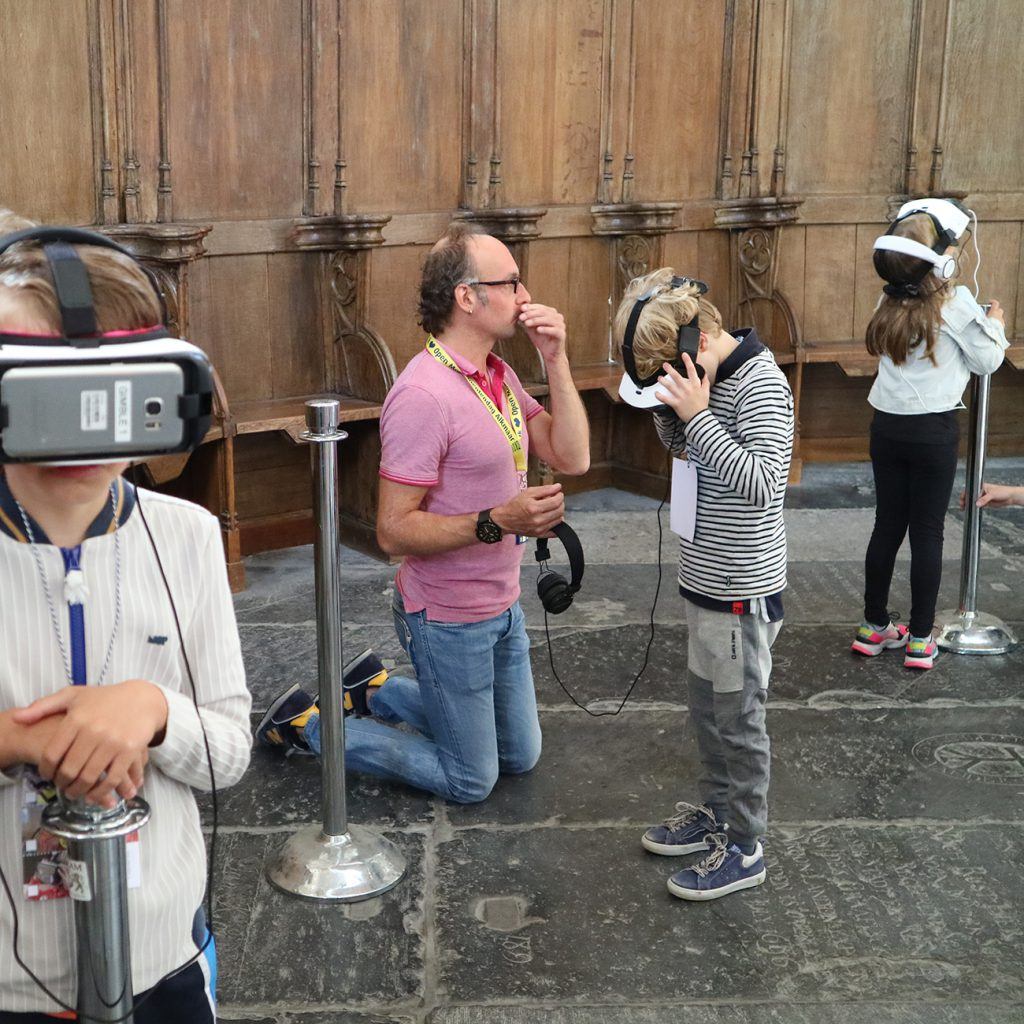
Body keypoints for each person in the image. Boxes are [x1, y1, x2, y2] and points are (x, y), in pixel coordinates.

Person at [0, 212, 252, 1021]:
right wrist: (18, 739)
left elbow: (228, 752)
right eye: (40, 396)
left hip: (160, 953)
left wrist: (152, 710)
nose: (78, 431)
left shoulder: (186, 535)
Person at [259, 224, 590, 803]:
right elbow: (392, 532)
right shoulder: (422, 397)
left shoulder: (498, 374)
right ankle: (307, 724)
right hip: (446, 618)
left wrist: (557, 359)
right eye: (510, 281)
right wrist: (499, 520)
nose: (524, 293)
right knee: (471, 779)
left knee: (520, 755)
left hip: (502, 602)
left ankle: (375, 687)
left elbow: (573, 455)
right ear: (468, 297)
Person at [613, 269, 794, 901]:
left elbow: (763, 483)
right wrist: (676, 414)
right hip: (704, 580)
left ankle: (745, 847)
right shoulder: (704, 381)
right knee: (708, 712)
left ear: (698, 338)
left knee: (739, 719)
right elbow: (687, 453)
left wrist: (698, 415)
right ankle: (717, 816)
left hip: (742, 588)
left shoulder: (762, 385)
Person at [852, 198, 1008, 669]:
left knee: (886, 525)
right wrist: (995, 324)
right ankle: (920, 638)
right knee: (928, 532)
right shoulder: (956, 303)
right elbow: (987, 362)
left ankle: (873, 627)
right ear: (945, 262)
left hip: (886, 428)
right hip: (933, 433)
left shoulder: (887, 300)